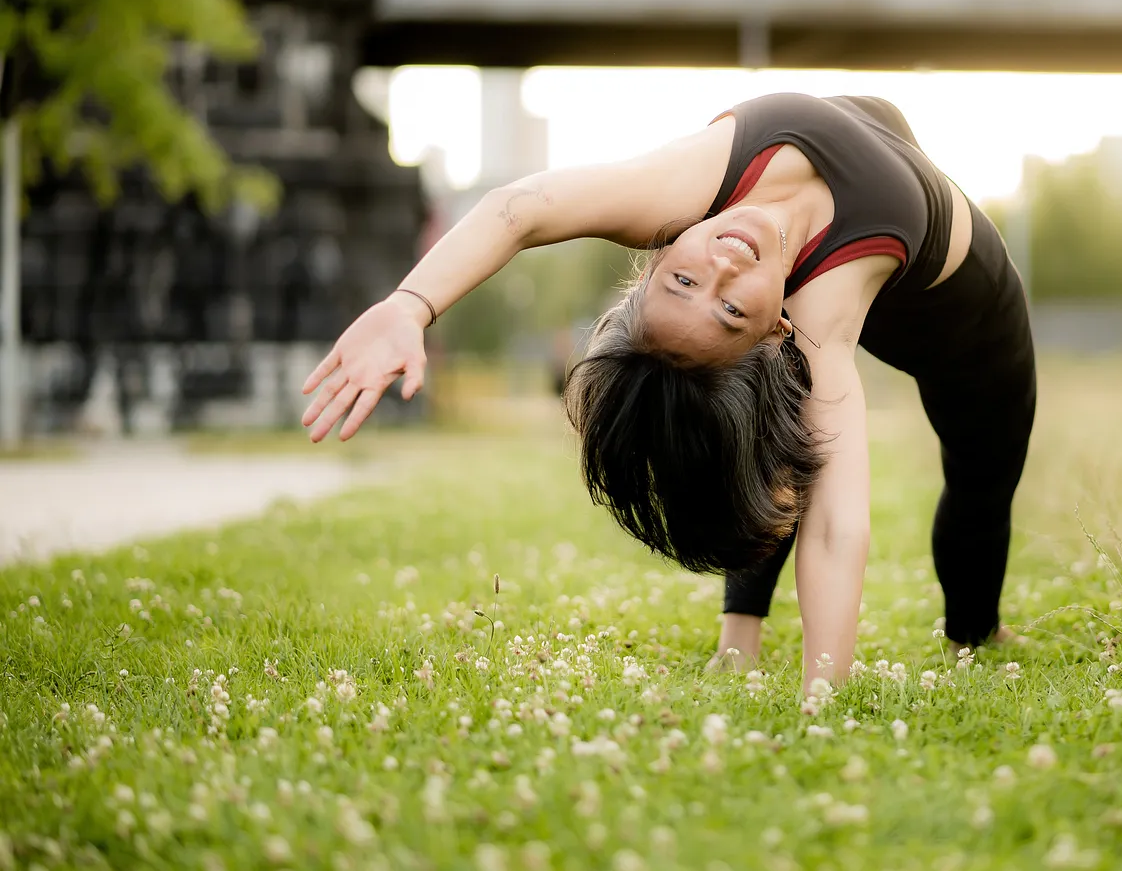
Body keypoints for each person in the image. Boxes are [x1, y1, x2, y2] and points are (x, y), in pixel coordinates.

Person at [300, 93, 1036, 688]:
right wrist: (824, 690)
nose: (722, 264)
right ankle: (739, 636)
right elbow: (839, 527)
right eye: (731, 307)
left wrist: (411, 305)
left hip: (966, 321)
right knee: (764, 435)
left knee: (983, 471)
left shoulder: (688, 191)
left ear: (653, 261)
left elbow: (523, 208)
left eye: (684, 281)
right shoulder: (819, 315)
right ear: (775, 327)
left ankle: (973, 626)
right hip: (871, 226)